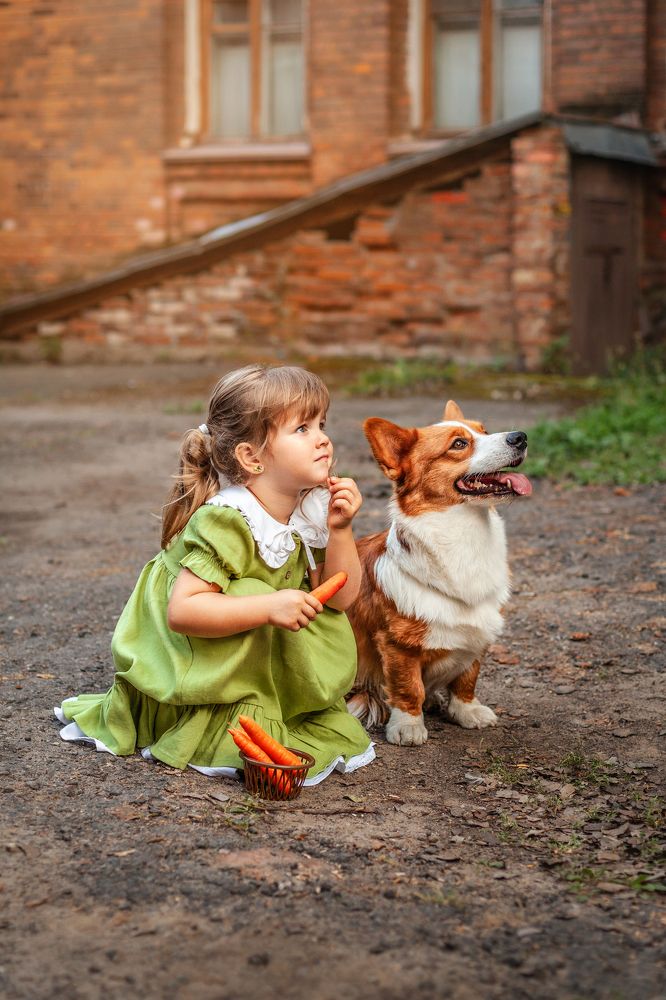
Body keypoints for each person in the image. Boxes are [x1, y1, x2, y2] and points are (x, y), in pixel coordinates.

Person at [54, 365, 375, 785]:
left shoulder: (309, 507)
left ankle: (272, 697)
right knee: (253, 590)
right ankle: (224, 711)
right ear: (252, 457)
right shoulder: (227, 519)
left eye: (321, 424)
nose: (323, 439)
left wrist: (341, 529)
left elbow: (339, 600)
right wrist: (269, 606)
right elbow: (184, 612)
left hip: (245, 634)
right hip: (185, 648)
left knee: (269, 597)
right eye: (302, 428)